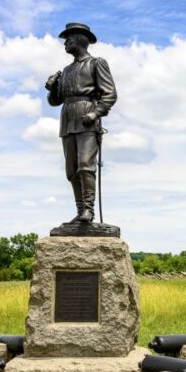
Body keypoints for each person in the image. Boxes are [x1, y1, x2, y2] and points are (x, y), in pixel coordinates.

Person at [45, 22, 117, 223]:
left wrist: (96, 113)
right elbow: (54, 102)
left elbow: (110, 94)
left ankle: (88, 210)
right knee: (71, 169)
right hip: (67, 118)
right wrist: (51, 88)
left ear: (78, 40)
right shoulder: (66, 70)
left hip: (86, 116)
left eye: (68, 39)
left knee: (85, 165)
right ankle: (80, 211)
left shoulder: (96, 63)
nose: (65, 43)